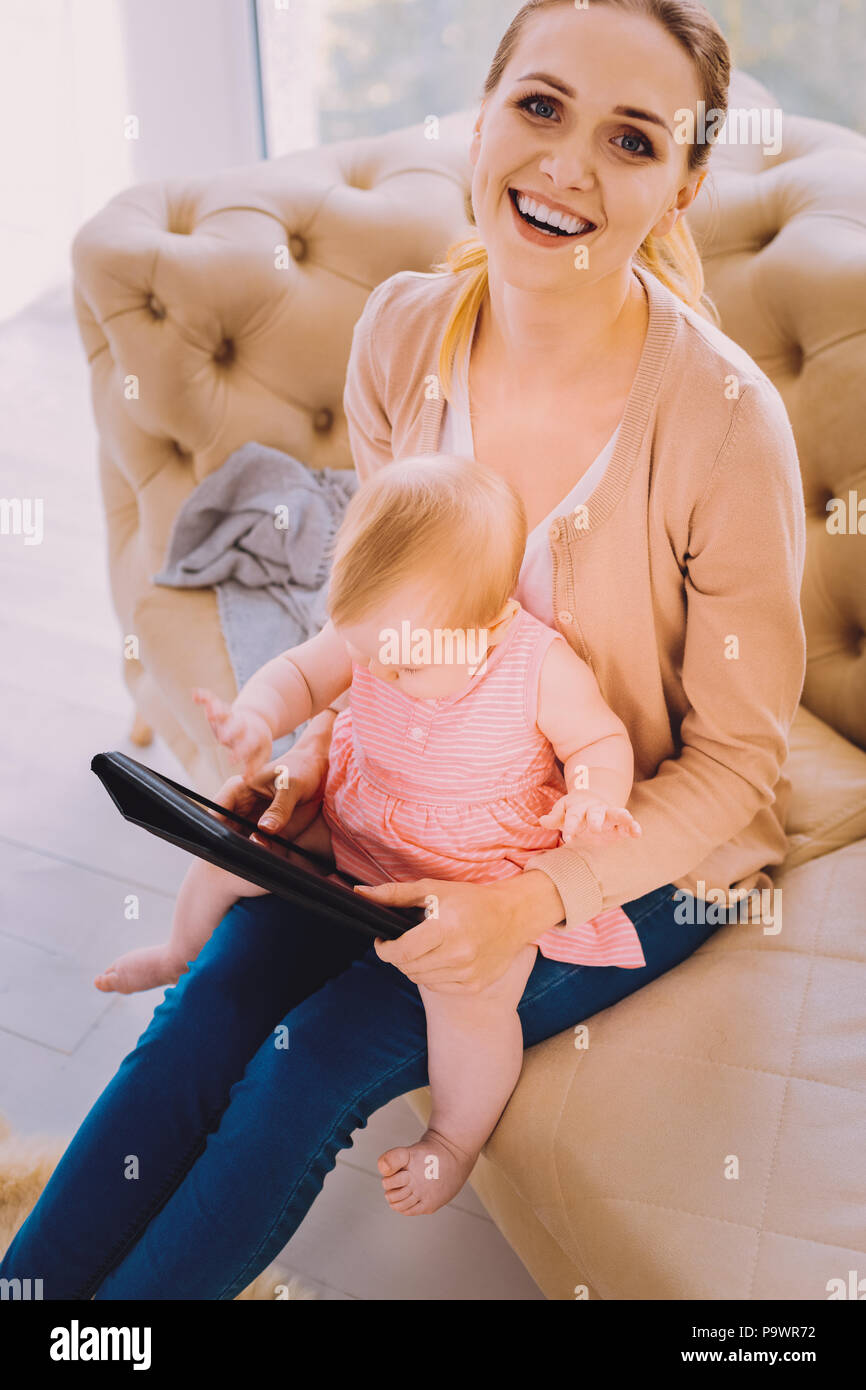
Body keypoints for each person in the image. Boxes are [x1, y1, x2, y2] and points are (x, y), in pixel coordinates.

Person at [1, 0, 806, 1298]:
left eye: (630, 139)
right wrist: (312, 757)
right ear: (483, 114)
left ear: (683, 183)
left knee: (307, 1064)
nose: (565, 167)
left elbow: (733, 772)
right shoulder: (402, 331)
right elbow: (377, 630)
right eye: (538, 106)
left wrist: (519, 904)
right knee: (206, 1004)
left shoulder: (722, 421)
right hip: (414, 810)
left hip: (624, 854)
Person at [94, 454, 645, 1215]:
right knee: (231, 850)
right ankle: (179, 951)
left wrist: (590, 798)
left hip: (474, 878)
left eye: (405, 666)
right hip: (360, 820)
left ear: (488, 625)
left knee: (470, 1004)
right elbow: (301, 674)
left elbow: (600, 743)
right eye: (366, 655)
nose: (376, 678)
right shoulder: (383, 630)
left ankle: (454, 1139)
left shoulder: (537, 666)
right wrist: (256, 718)